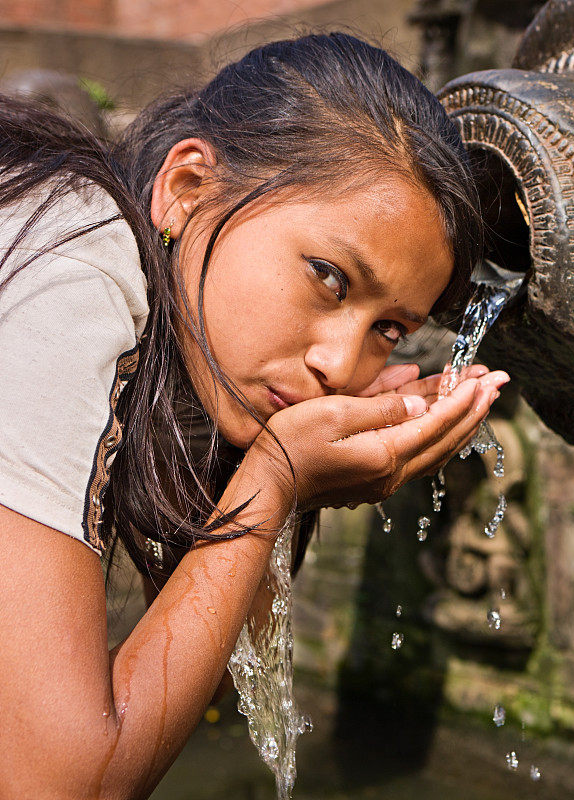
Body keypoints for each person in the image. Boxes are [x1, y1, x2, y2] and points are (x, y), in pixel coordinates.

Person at [0, 32, 508, 798]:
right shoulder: (73, 254)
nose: (340, 365)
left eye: (389, 329)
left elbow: (199, 682)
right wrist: (274, 479)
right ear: (189, 186)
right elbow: (57, 782)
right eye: (330, 278)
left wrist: (280, 479)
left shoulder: (154, 329)